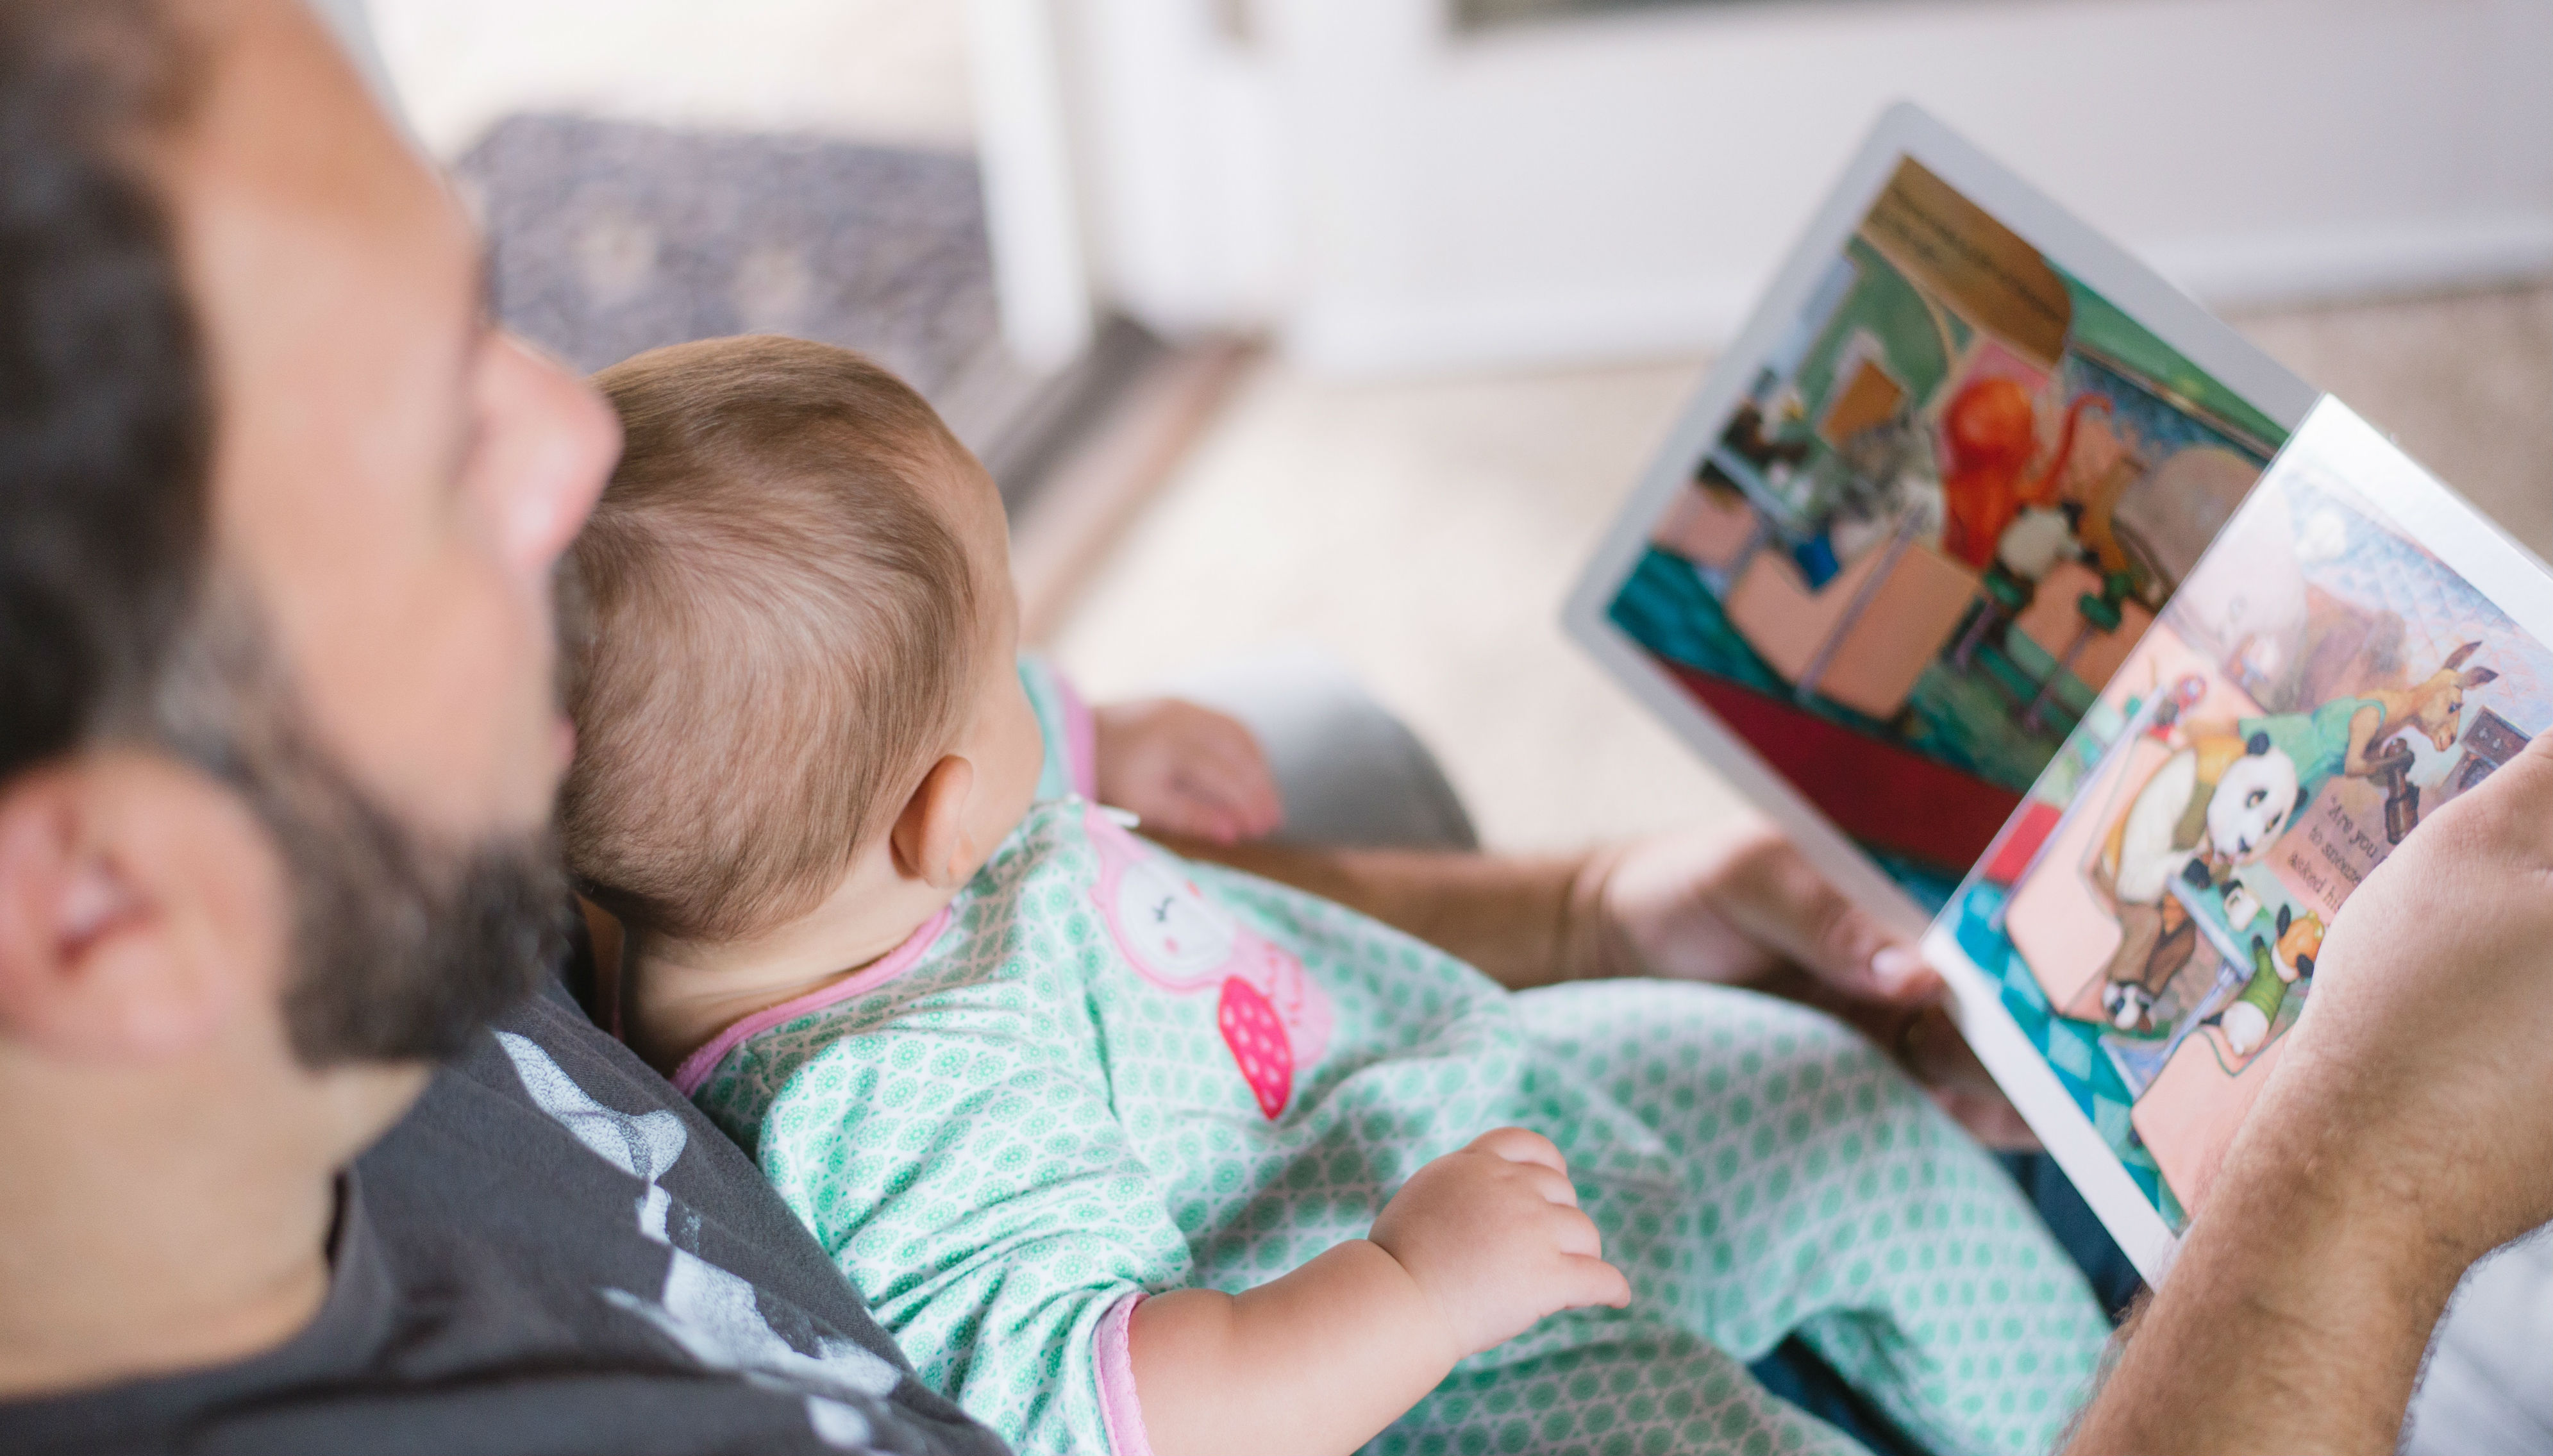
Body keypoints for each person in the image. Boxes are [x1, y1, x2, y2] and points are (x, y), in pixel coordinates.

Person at [0, 4, 2541, 1453]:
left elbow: (985, 887)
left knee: (1328, 735)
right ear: (91, 903)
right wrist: (2354, 1182)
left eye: (503, 314)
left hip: (1391, 1120)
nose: (569, 451)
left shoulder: (426, 821)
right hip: (1426, 1355)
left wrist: (1561, 907)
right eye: (432, 440)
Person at [560, 334, 2112, 1456]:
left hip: (1437, 1102)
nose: (1035, 686)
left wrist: (1093, 730)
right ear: (943, 814)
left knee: (1825, 1095)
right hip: (1410, 1367)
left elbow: (906, 734)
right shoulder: (892, 1105)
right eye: (1007, 669)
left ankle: (2099, 1414)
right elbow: (1114, 1411)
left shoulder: (779, 867)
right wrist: (1416, 1288)